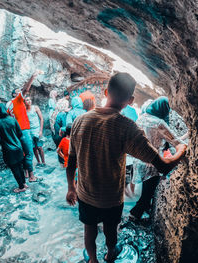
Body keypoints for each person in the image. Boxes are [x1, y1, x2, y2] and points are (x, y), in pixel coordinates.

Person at [66, 72, 187, 263]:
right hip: (110, 198)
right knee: (110, 230)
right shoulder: (127, 127)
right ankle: (110, 253)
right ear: (130, 100)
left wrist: (71, 188)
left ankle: (92, 260)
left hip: (85, 193)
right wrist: (181, 148)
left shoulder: (80, 121)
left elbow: (71, 160)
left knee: (88, 230)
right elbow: (163, 167)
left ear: (106, 92)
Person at [129, 96, 188, 220]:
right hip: (153, 164)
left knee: (146, 193)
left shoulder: (142, 118)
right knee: (146, 196)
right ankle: (133, 216)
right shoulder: (158, 123)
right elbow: (175, 141)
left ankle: (144, 213)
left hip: (140, 161)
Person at [7, 71, 42, 182]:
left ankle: (26, 174)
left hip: (16, 132)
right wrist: (32, 77)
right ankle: (31, 176)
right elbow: (26, 89)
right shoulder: (17, 100)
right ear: (15, 95)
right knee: (29, 153)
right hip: (24, 130)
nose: (22, 94)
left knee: (23, 153)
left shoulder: (8, 105)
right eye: (19, 92)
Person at [0, 104, 27, 193]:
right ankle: (24, 183)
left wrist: (5, 141)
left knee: (14, 168)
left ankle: (21, 187)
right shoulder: (13, 120)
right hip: (18, 147)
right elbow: (20, 133)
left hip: (8, 150)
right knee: (20, 166)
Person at [121, 104, 139, 197]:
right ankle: (128, 191)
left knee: (127, 172)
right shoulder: (133, 112)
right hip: (129, 155)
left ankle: (126, 191)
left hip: (126, 156)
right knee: (130, 172)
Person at [25, 96, 46, 167]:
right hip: (30, 131)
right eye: (27, 100)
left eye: (30, 99)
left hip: (37, 129)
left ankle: (43, 162)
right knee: (34, 148)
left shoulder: (35, 108)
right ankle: (39, 162)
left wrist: (41, 130)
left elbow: (41, 119)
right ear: (24, 102)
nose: (29, 101)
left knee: (40, 147)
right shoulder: (24, 110)